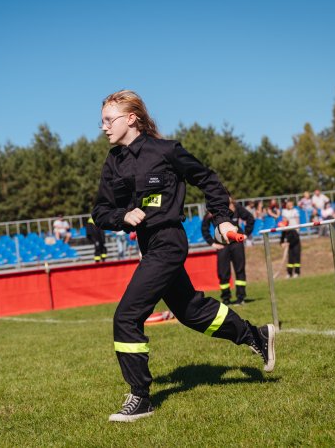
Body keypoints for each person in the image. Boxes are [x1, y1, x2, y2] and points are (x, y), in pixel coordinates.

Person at [92, 90, 275, 422]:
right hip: (148, 245)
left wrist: (222, 218)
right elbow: (100, 211)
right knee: (191, 312)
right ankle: (256, 335)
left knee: (126, 317)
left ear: (130, 118)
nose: (103, 127)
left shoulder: (165, 151)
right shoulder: (113, 162)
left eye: (109, 119)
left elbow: (208, 180)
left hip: (169, 243)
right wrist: (123, 217)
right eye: (101, 121)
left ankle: (141, 397)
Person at [202, 197, 255, 306]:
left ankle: (241, 298)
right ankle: (226, 299)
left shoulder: (237, 208)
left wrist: (246, 234)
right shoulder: (213, 210)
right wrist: (212, 243)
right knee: (223, 272)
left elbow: (250, 218)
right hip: (222, 245)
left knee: (240, 270)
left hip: (237, 243)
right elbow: (204, 228)